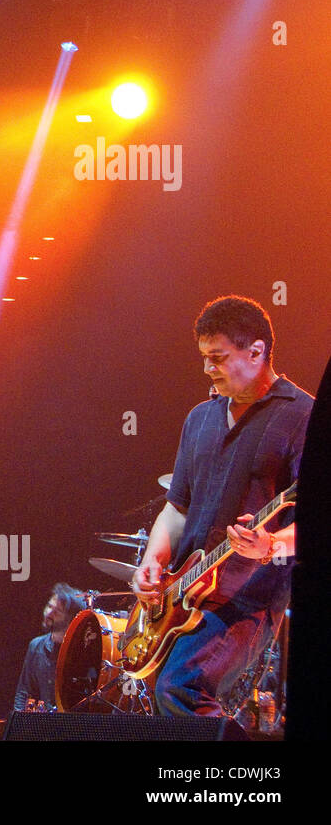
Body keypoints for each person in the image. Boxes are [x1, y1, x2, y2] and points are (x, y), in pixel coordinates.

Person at [132, 296, 311, 716]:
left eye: (217, 357)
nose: (206, 369)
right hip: (184, 593)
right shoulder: (199, 418)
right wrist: (153, 562)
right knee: (164, 698)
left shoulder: (302, 416)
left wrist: (270, 545)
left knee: (181, 688)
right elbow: (176, 508)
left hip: (249, 597)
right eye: (204, 358)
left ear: (256, 351)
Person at [13, 583, 85, 711]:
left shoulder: (82, 651)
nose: (48, 613)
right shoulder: (36, 645)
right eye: (49, 606)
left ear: (71, 619)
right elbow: (23, 692)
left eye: (57, 611)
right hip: (45, 726)